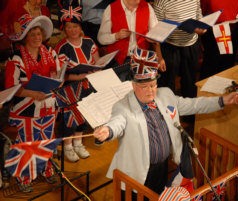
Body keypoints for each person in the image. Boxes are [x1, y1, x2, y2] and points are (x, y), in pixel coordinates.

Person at [93, 47, 238, 196]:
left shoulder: (166, 95)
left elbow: (194, 105)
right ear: (133, 86)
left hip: (163, 166)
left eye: (152, 85)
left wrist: (222, 100)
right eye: (144, 86)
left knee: (159, 196)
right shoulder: (123, 107)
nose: (150, 90)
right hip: (136, 172)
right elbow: (116, 123)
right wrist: (107, 131)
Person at [4, 15, 60, 193]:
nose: (37, 37)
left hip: (48, 106)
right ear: (25, 37)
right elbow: (11, 89)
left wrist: (55, 81)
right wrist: (33, 94)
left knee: (46, 141)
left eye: (39, 34)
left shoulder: (50, 52)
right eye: (32, 34)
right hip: (25, 109)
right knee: (27, 143)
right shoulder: (16, 59)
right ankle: (24, 176)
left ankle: (45, 168)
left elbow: (59, 75)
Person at [55, 0, 101, 162]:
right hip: (70, 89)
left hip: (88, 86)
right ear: (64, 29)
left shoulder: (89, 42)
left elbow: (98, 62)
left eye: (75, 26)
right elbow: (61, 76)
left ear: (80, 27)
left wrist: (97, 69)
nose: (72, 30)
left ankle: (78, 142)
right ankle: (68, 146)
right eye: (69, 27)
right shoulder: (61, 47)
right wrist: (81, 76)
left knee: (84, 115)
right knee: (70, 119)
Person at [97, 0, 166, 81]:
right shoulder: (111, 8)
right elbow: (101, 38)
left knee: (144, 89)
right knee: (122, 90)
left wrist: (159, 57)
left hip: (142, 59)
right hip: (118, 60)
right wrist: (116, 36)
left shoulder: (146, 6)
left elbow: (156, 35)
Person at [153, 0, 206, 99]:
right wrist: (159, 57)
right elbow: (157, 31)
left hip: (191, 45)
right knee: (167, 85)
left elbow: (199, 15)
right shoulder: (161, 2)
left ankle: (190, 113)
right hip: (170, 46)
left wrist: (202, 27)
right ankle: (170, 112)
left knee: (190, 82)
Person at [199, 0, 238, 80]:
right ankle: (205, 89)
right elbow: (201, 11)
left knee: (228, 64)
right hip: (213, 30)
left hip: (232, 28)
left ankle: (226, 89)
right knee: (210, 64)